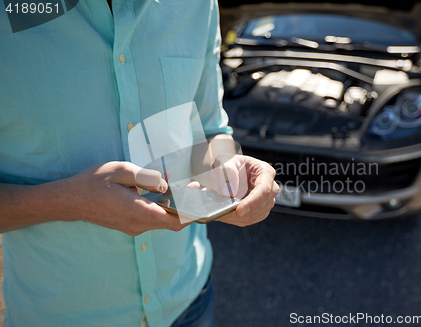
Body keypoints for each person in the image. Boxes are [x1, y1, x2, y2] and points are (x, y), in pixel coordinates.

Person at [0, 0, 279, 326]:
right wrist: (68, 203)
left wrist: (229, 175)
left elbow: (210, 131)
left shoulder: (197, 6)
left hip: (188, 302)